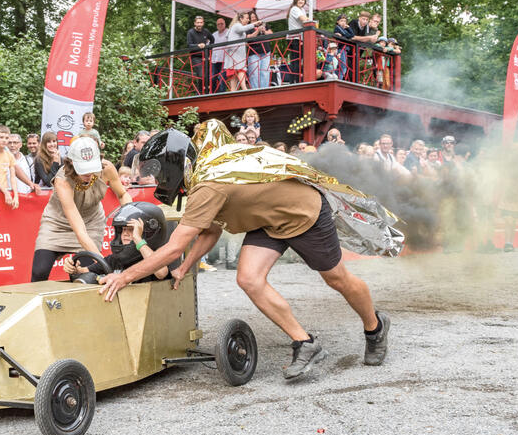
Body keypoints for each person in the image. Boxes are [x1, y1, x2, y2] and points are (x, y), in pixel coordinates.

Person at [98, 127, 391, 379]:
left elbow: (174, 245)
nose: (156, 180)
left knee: (337, 278)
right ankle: (305, 343)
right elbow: (210, 231)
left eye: (157, 171)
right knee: (249, 279)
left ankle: (374, 327)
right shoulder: (202, 175)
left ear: (174, 164)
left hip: (302, 213)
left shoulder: (207, 186)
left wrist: (123, 278)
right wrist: (185, 267)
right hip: (266, 221)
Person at [31, 136, 132, 281]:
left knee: (85, 276)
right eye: (84, 169)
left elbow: (122, 194)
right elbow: (79, 231)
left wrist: (130, 216)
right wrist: (105, 265)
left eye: (92, 167)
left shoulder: (107, 169)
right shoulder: (62, 181)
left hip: (91, 222)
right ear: (71, 162)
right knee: (39, 272)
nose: (89, 173)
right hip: (57, 223)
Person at [62, 202, 173, 282]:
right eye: (123, 229)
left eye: (131, 229)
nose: (125, 233)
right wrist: (73, 268)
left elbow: (161, 273)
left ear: (148, 233)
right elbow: (84, 271)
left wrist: (138, 239)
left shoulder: (156, 256)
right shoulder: (115, 259)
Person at [186, 15, 215, 93]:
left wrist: (209, 50)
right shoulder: (190, 32)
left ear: (203, 23)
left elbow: (212, 39)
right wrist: (197, 46)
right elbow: (189, 45)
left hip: (205, 56)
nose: (199, 24)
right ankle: (200, 93)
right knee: (201, 75)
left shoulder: (206, 31)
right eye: (198, 23)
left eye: (201, 22)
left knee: (207, 75)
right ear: (195, 23)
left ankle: (207, 92)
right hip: (195, 57)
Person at [210, 17, 229, 93]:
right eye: (218, 24)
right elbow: (208, 44)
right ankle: (214, 94)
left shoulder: (228, 32)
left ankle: (222, 95)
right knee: (213, 78)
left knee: (222, 79)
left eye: (222, 24)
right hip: (215, 60)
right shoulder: (214, 34)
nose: (220, 25)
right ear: (216, 25)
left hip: (224, 60)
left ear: (225, 24)